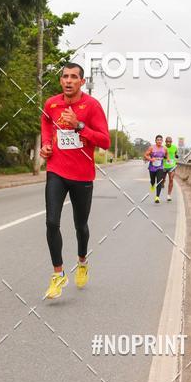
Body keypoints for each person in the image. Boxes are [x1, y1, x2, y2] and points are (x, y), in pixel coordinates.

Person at [40, 63, 110, 299]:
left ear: (82, 81)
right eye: (65, 76)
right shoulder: (51, 103)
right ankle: (58, 275)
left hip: (82, 175)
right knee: (51, 222)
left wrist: (79, 126)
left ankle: (82, 261)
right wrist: (46, 145)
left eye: (74, 77)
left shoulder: (92, 106)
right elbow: (47, 124)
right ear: (60, 81)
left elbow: (105, 141)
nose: (69, 80)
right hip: (56, 170)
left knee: (81, 226)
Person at [144, 135, 167, 203]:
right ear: (156, 141)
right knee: (153, 180)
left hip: (160, 167)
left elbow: (167, 155)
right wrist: (151, 159)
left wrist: (167, 159)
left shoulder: (164, 148)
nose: (159, 141)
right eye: (158, 140)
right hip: (152, 167)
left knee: (159, 181)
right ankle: (152, 185)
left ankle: (157, 197)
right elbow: (145, 155)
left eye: (160, 140)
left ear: (162, 141)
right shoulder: (151, 148)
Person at [163, 136, 179, 202]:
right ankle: (163, 182)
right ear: (165, 142)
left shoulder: (175, 147)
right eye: (167, 142)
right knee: (162, 179)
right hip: (164, 166)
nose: (169, 143)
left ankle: (169, 195)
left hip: (172, 166)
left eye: (170, 142)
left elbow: (175, 154)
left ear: (171, 142)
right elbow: (160, 154)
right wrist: (164, 156)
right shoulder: (163, 147)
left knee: (171, 179)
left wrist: (176, 156)